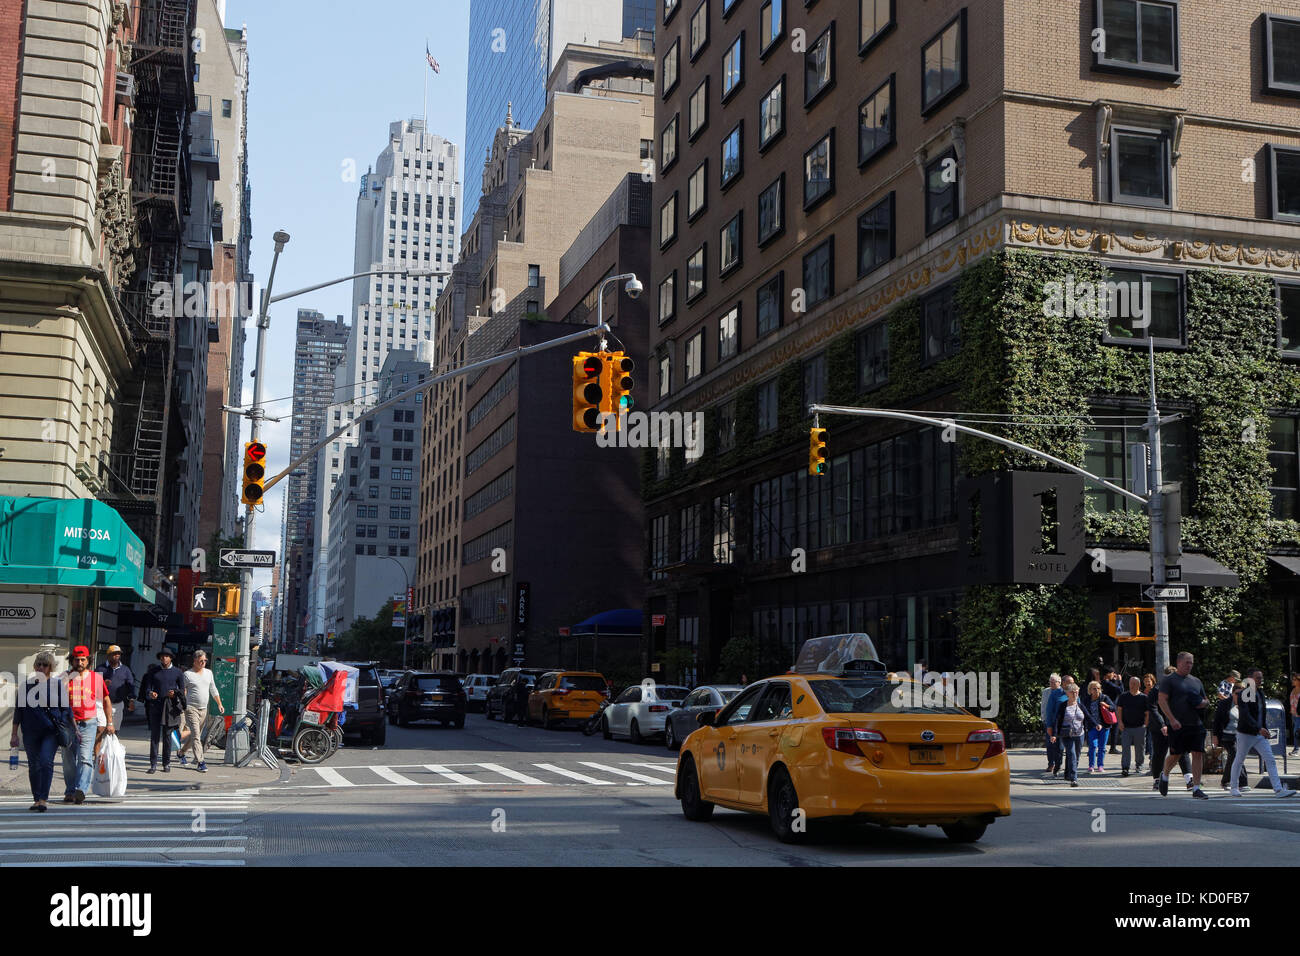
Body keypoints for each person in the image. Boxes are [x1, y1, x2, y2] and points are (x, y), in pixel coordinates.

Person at [7, 651, 73, 812]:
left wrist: (63, 722)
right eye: (38, 664)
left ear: (51, 668)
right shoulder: (26, 686)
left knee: (45, 762)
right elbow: (19, 711)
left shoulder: (57, 685)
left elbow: (66, 709)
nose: (41, 667)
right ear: (34, 666)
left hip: (50, 732)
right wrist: (14, 734)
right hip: (30, 732)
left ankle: (44, 798)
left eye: (45, 665)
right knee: (33, 765)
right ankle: (36, 798)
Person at [1227, 668, 1297, 798]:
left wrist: (1264, 729)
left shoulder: (1260, 693)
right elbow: (1246, 715)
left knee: (1270, 759)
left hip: (1259, 734)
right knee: (1240, 759)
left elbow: (1261, 714)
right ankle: (1234, 787)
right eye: (1257, 677)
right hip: (1246, 733)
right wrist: (1259, 728)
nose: (1260, 680)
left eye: (1261, 677)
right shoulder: (1244, 694)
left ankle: (1278, 789)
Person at [61, 645, 113, 804]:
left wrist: (109, 722)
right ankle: (70, 791)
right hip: (68, 724)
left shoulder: (96, 678)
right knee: (68, 760)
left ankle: (81, 790)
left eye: (83, 659)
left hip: (88, 723)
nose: (80, 662)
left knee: (84, 757)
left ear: (88, 661)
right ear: (72, 661)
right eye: (77, 659)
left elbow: (105, 700)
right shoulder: (65, 677)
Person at [1157, 652, 1211, 799]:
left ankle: (1196, 788)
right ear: (1179, 662)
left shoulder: (1196, 681)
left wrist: (1204, 703)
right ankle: (1165, 774)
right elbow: (1162, 701)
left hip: (1196, 724)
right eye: (1187, 662)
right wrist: (1172, 719)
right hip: (1178, 725)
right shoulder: (1169, 680)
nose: (1190, 665)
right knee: (1175, 755)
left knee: (1197, 753)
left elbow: (1206, 699)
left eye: (1191, 663)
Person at [177, 650, 224, 772]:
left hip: (204, 709)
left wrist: (219, 704)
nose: (203, 663)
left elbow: (213, 689)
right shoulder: (187, 674)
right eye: (201, 660)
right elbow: (183, 690)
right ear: (195, 661)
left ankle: (181, 753)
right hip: (191, 708)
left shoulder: (209, 673)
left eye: (205, 661)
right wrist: (182, 706)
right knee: (197, 736)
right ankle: (200, 762)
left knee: (194, 735)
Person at [141, 647, 186, 773]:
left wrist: (175, 693)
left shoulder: (177, 672)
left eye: (166, 656)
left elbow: (182, 690)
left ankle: (166, 763)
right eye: (162, 656)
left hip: (170, 707)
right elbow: (147, 688)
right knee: (154, 736)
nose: (164, 658)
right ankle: (153, 764)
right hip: (155, 706)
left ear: (171, 658)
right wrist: (150, 693)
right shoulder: (153, 671)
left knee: (167, 736)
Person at [1211, 673, 1250, 792]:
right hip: (1226, 735)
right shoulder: (1224, 704)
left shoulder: (1246, 704)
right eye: (1237, 694)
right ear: (1232, 693)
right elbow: (1217, 721)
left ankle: (1225, 781)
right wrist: (1215, 736)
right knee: (1236, 754)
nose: (1239, 696)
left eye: (1242, 693)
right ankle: (1242, 782)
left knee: (1234, 757)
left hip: (1240, 735)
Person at [1049, 683, 1089, 787]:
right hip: (1066, 734)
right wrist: (1054, 734)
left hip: (1080, 734)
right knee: (1071, 754)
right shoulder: (1063, 705)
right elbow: (1057, 720)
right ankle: (1074, 778)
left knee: (1077, 755)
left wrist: (1097, 724)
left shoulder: (1080, 704)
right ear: (1068, 693)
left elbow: (1088, 716)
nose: (1075, 693)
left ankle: (1069, 773)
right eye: (1073, 691)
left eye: (1077, 691)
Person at [96, 644, 135, 732]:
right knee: (101, 729)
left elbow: (130, 685)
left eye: (118, 654)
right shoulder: (100, 669)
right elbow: (93, 688)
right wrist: (103, 685)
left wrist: (131, 700)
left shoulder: (125, 670)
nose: (117, 656)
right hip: (102, 705)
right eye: (114, 653)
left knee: (114, 730)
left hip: (118, 704)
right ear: (108, 655)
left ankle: (113, 745)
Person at [1116, 676, 1148, 777]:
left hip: (1139, 727)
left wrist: (1145, 725)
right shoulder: (1123, 696)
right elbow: (1119, 710)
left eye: (1134, 683)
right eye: (1131, 683)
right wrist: (1120, 722)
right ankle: (1125, 767)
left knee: (1140, 748)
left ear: (1139, 685)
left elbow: (1147, 713)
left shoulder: (1144, 697)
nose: (1132, 685)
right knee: (1125, 748)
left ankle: (1139, 765)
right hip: (1126, 727)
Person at [1040, 674, 1066, 775]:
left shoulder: (1062, 692)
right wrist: (1044, 719)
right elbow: (1043, 705)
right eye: (1050, 682)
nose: (1051, 684)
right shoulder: (1046, 691)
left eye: (1053, 682)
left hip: (1059, 722)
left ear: (1059, 683)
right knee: (1049, 743)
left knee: (1059, 745)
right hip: (1048, 721)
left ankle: (1058, 763)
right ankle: (1051, 763)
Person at [1084, 681, 1110, 772]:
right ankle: (1091, 766)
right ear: (1090, 690)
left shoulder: (1104, 698)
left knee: (1102, 747)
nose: (1097, 690)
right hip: (1092, 726)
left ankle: (1100, 765)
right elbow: (1086, 713)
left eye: (1098, 688)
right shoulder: (1087, 699)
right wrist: (1095, 724)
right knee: (1093, 746)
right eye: (1094, 688)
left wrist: (1106, 705)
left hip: (1105, 726)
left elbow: (1113, 707)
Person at [1101, 667, 1124, 754]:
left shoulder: (1105, 682)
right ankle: (1112, 747)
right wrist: (1120, 681)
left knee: (1109, 727)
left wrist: (1115, 681)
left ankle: (1110, 747)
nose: (1114, 675)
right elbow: (1120, 690)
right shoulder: (1107, 682)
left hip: (1108, 706)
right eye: (1112, 673)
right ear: (1108, 674)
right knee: (1114, 727)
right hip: (1111, 707)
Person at [1289, 673, 1300, 757]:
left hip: (1299, 715)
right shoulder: (1293, 690)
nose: (1293, 681)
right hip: (1293, 714)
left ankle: (1296, 750)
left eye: (1294, 679)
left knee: (1296, 732)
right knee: (1296, 732)